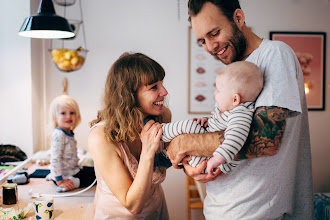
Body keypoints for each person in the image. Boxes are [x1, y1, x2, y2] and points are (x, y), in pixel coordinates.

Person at [166, 0, 313, 219]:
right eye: (202, 41)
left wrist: (182, 143)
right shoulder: (237, 72)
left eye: (214, 33)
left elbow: (265, 139)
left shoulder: (274, 54)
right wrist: (191, 165)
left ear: (238, 18)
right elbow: (223, 134)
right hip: (221, 210)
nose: (210, 47)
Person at [88, 52, 171, 219]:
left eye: (162, 84)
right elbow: (133, 205)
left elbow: (171, 157)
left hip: (157, 211)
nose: (165, 92)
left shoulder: (163, 116)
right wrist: (148, 150)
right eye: (154, 87)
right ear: (130, 95)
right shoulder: (101, 136)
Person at [162, 61, 263, 175]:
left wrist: (219, 158)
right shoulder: (230, 109)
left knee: (190, 126)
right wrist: (207, 120)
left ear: (235, 99)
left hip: (211, 162)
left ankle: (159, 132)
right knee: (195, 125)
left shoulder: (241, 113)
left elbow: (236, 136)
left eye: (218, 90)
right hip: (207, 159)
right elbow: (219, 122)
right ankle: (163, 146)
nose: (215, 93)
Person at [49, 94, 96, 192]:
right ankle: (70, 183)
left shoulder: (68, 132)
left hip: (74, 169)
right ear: (55, 117)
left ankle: (62, 179)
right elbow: (55, 159)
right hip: (65, 176)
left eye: (72, 113)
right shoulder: (59, 135)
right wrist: (59, 180)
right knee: (93, 179)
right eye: (63, 113)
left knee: (96, 171)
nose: (68, 116)